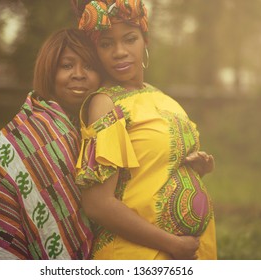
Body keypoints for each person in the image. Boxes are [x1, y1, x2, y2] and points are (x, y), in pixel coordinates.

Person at [72, 0, 217, 260]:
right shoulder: (106, 104)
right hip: (138, 255)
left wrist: (193, 170)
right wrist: (172, 244)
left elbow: (149, 173)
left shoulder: (161, 97)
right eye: (106, 44)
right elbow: (98, 204)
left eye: (129, 39)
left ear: (145, 40)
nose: (119, 51)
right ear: (96, 50)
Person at [0, 28, 102, 260]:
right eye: (67, 66)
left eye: (89, 66)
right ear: (49, 70)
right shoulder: (25, 134)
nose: (79, 74)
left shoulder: (97, 128)